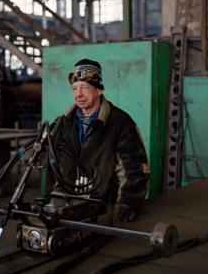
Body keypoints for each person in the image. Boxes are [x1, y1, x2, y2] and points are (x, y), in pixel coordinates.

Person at [46, 58, 150, 222]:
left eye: (84, 87)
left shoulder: (121, 123)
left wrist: (125, 205)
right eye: (75, 88)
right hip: (64, 205)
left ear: (99, 90)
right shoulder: (62, 124)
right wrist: (50, 199)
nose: (78, 94)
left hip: (102, 208)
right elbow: (51, 167)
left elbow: (134, 171)